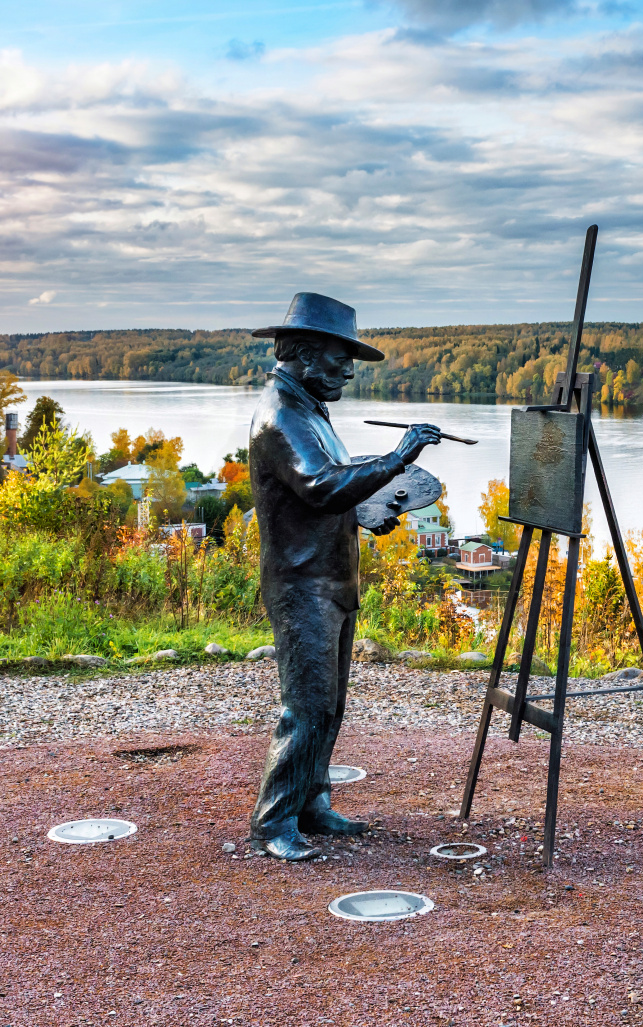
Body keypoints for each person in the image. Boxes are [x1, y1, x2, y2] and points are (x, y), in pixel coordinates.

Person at [246, 292, 442, 861]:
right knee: (306, 708)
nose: (349, 371)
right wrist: (398, 457)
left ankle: (312, 802)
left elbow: (333, 487)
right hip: (302, 583)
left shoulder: (308, 407)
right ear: (305, 353)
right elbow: (321, 485)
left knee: (328, 705)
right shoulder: (281, 415)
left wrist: (370, 507)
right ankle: (274, 821)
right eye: (340, 359)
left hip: (330, 579)